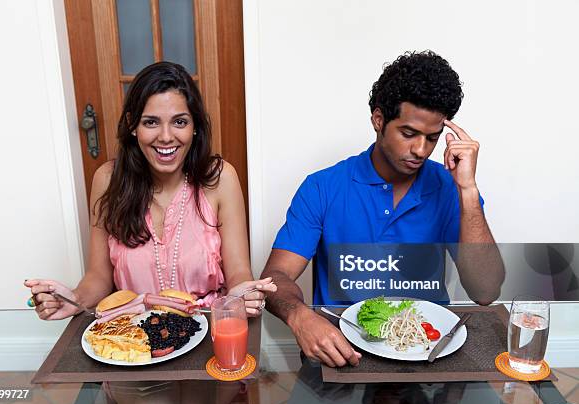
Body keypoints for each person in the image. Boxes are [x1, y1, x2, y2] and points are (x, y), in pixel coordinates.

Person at [261, 50, 504, 367]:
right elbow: (274, 277)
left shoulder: (449, 188)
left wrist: (468, 190)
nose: (420, 150)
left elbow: (485, 291)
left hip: (427, 351)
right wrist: (299, 316)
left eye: (432, 138)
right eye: (408, 133)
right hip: (343, 352)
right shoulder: (322, 188)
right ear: (378, 120)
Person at [25, 61, 275, 320]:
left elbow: (238, 274)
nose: (166, 137)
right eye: (151, 122)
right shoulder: (107, 181)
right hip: (132, 338)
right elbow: (98, 276)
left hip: (207, 330)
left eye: (180, 122)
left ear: (195, 126)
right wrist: (74, 299)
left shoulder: (221, 178)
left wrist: (243, 293)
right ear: (133, 126)